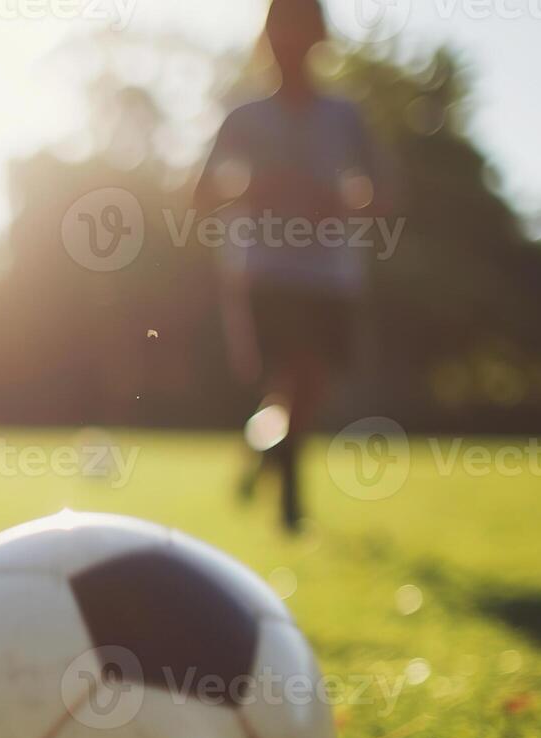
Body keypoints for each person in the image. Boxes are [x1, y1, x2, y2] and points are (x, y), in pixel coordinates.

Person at [193, 0, 390, 532]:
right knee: (293, 370)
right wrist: (250, 188)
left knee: (308, 384)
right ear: (267, 35)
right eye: (281, 23)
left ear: (319, 35)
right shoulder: (244, 115)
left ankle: (265, 447)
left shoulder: (346, 116)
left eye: (303, 23)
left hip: (331, 273)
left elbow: (386, 195)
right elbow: (200, 193)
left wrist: (343, 200)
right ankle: (292, 499)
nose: (291, 36)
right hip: (265, 269)